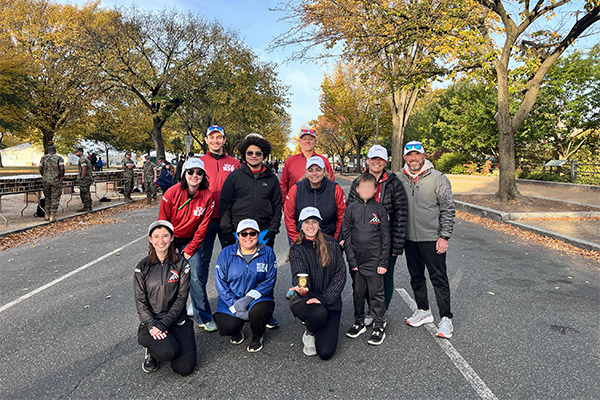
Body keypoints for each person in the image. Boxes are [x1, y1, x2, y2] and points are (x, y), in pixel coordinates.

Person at [397, 141, 456, 339]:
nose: (413, 159)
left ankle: (446, 318)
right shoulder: (398, 178)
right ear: (405, 157)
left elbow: (447, 208)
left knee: (438, 278)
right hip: (409, 239)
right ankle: (423, 310)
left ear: (423, 155)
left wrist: (444, 236)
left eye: (417, 155)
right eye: (409, 155)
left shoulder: (438, 178)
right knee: (416, 276)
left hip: (432, 238)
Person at [347, 145, 408, 318]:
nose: (377, 162)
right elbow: (349, 213)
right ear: (367, 160)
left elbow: (401, 215)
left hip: (385, 241)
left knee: (385, 277)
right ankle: (369, 310)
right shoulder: (358, 182)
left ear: (385, 161)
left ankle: (380, 313)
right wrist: (347, 239)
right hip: (362, 242)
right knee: (362, 278)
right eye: (373, 158)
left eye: (380, 159)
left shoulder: (394, 183)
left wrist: (396, 245)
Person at [158, 157, 217, 332]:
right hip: (170, 239)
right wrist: (165, 246)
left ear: (203, 175)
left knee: (196, 276)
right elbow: (163, 222)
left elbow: (203, 227)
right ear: (184, 173)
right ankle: (164, 317)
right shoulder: (171, 193)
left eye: (199, 172)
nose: (194, 175)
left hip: (191, 240)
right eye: (190, 172)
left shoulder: (208, 196)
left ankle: (203, 316)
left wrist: (190, 249)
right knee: (166, 278)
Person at [134, 220, 196, 375]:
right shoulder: (142, 267)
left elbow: (182, 298)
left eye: (165, 236)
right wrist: (152, 325)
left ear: (172, 237)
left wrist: (164, 324)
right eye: (156, 236)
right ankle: (151, 351)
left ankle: (175, 339)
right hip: (152, 323)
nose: (161, 241)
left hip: (177, 320)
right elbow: (140, 301)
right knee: (167, 352)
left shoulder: (182, 264)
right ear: (150, 239)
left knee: (184, 369)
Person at [191, 126, 240, 317]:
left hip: (228, 220)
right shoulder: (199, 162)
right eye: (212, 138)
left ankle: (231, 301)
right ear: (206, 140)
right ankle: (199, 303)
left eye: (219, 137)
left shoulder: (234, 163)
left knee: (232, 262)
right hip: (205, 220)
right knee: (201, 264)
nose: (215, 141)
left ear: (224, 140)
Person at [288, 207, 346, 360]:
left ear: (319, 224)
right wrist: (303, 290)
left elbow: (341, 274)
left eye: (314, 222)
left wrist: (324, 299)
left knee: (325, 352)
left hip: (330, 302)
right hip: (306, 301)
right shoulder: (296, 248)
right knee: (318, 313)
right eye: (306, 222)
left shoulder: (332, 244)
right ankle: (310, 331)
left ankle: (322, 325)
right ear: (301, 225)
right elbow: (299, 275)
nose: (310, 226)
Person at [214, 219, 277, 353]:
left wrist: (248, 298)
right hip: (232, 297)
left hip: (258, 298)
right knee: (227, 327)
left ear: (258, 235)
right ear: (237, 236)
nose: (248, 237)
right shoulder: (226, 253)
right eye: (244, 234)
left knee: (259, 312)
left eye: (252, 233)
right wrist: (234, 304)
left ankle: (257, 336)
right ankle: (237, 330)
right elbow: (220, 282)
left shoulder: (268, 252)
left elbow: (270, 280)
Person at [343, 173, 390, 345]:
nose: (366, 190)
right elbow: (346, 235)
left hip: (375, 261)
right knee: (358, 292)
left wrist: (383, 262)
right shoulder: (351, 208)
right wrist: (351, 260)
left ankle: (379, 324)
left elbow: (386, 237)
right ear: (357, 189)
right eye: (363, 187)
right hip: (357, 261)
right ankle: (359, 321)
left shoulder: (379, 210)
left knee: (376, 294)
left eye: (370, 187)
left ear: (375, 189)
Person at [219, 134, 282, 249]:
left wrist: (273, 230)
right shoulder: (234, 177)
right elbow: (224, 204)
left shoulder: (272, 178)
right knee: (237, 267)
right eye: (250, 153)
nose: (254, 156)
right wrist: (226, 230)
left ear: (264, 156)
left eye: (258, 153)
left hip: (263, 232)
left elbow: (277, 206)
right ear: (244, 154)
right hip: (238, 232)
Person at [284, 156, 346, 243]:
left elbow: (341, 216)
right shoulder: (296, 189)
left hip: (328, 239)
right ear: (306, 172)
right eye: (310, 170)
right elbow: (289, 217)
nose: (314, 173)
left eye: (318, 170)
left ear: (324, 171)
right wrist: (296, 241)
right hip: (302, 240)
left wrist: (335, 241)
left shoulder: (335, 189)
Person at [280, 129, 335, 203]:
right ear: (300, 142)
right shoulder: (290, 161)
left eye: (311, 139)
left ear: (315, 141)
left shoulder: (323, 161)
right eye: (304, 139)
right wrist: (285, 203)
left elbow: (331, 183)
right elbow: (283, 184)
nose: (307, 141)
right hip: (295, 203)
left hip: (320, 203)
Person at [39, 144, 65, 222]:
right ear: (55, 151)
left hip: (46, 180)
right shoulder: (59, 158)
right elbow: (62, 168)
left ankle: (46, 214)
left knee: (47, 197)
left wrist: (44, 176)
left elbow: (40, 168)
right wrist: (62, 176)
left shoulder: (43, 158)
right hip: (56, 180)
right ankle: (52, 215)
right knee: (55, 197)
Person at [74, 147, 93, 212]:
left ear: (81, 152)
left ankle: (87, 206)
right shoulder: (85, 158)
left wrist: (82, 177)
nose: (75, 153)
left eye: (77, 152)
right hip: (88, 178)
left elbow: (84, 168)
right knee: (86, 192)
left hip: (85, 179)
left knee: (84, 192)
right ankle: (88, 206)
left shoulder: (82, 159)